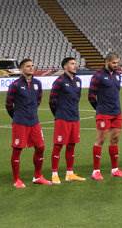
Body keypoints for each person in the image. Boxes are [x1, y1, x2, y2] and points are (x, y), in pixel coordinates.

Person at [5, 58, 50, 188]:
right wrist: (17, 116)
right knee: (17, 149)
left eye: (32, 65)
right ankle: (16, 180)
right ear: (21, 69)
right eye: (28, 66)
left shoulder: (37, 83)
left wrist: (31, 113)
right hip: (20, 122)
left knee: (40, 147)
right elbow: (8, 104)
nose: (31, 68)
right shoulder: (15, 85)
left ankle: (38, 176)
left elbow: (38, 100)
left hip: (34, 121)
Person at [88, 52, 122, 180]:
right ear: (107, 62)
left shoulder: (118, 75)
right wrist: (99, 109)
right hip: (104, 113)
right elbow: (91, 96)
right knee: (100, 140)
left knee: (115, 139)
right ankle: (95, 171)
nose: (116, 65)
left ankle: (115, 169)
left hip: (117, 112)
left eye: (117, 63)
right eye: (113, 63)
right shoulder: (98, 76)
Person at [48, 56, 84, 184]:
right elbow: (52, 101)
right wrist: (58, 114)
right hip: (63, 118)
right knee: (58, 145)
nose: (75, 65)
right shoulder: (59, 81)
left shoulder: (78, 81)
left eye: (75, 63)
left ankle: (69, 173)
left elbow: (77, 98)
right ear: (65, 66)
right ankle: (54, 174)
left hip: (75, 117)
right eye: (72, 63)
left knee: (71, 145)